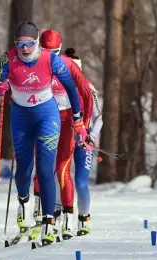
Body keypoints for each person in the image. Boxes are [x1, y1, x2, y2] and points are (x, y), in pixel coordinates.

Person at [0, 21, 89, 245]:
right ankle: (24, 203)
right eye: (20, 44)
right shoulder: (7, 59)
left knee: (45, 167)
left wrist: (79, 120)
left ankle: (49, 221)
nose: (25, 49)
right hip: (21, 118)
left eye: (30, 44)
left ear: (37, 42)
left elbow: (72, 87)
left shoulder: (50, 59)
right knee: (23, 168)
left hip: (47, 116)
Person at [33, 29, 94, 240]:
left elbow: (87, 95)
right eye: (44, 50)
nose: (49, 55)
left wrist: (83, 125)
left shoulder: (68, 65)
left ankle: (69, 216)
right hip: (45, 120)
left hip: (67, 120)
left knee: (62, 169)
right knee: (42, 168)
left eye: (53, 51)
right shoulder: (33, 64)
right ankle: (44, 214)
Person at [65, 48, 103, 236]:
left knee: (81, 182)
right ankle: (61, 216)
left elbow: (99, 118)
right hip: (64, 138)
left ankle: (84, 218)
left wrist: (91, 136)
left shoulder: (88, 88)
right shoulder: (56, 86)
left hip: (83, 140)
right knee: (61, 178)